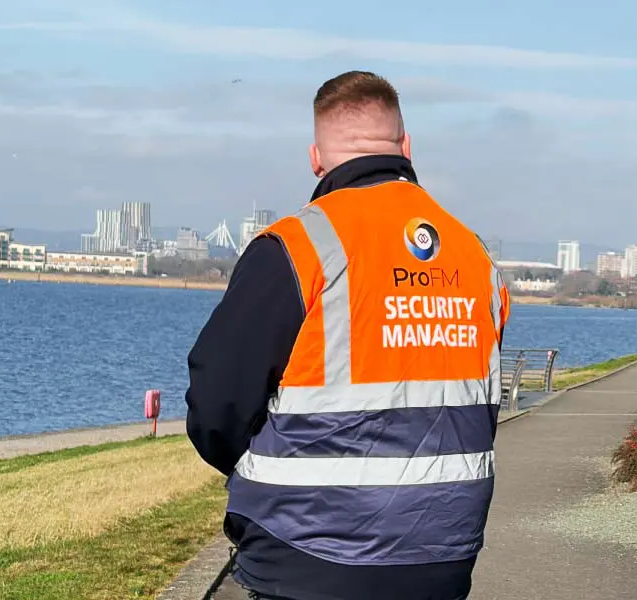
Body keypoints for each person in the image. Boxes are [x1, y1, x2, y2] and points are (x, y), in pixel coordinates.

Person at [185, 71, 511, 600]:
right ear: (406, 147)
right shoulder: (473, 256)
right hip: (444, 547)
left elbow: (218, 397)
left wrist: (250, 468)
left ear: (315, 156)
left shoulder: (297, 247)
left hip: (308, 548)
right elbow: (480, 406)